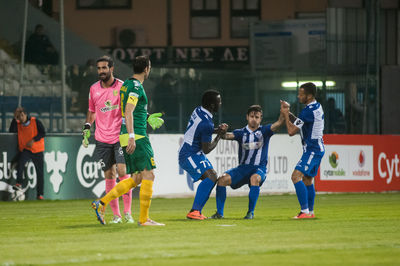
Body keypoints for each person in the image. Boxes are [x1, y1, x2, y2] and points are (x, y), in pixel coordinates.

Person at [91, 55, 165, 226]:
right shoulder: (136, 87)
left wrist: (143, 119)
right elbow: (129, 111)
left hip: (125, 135)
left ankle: (101, 203)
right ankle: (144, 219)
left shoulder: (126, 85)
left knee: (138, 178)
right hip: (137, 135)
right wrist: (132, 136)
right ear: (147, 68)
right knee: (149, 174)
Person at [81, 56, 135, 224]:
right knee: (109, 175)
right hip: (101, 138)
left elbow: (130, 109)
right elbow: (92, 111)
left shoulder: (122, 86)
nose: (101, 71)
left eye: (104, 68)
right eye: (99, 68)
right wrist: (87, 127)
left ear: (112, 69)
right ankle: (116, 216)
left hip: (119, 136)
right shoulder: (93, 89)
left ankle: (128, 213)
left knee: (122, 172)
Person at [210, 105, 284, 220]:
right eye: (252, 116)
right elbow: (225, 136)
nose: (254, 119)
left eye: (257, 117)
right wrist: (222, 131)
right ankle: (219, 213)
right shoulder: (241, 133)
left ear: (260, 119)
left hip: (258, 169)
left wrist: (283, 111)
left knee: (255, 178)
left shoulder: (265, 131)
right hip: (242, 169)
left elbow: (279, 123)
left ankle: (250, 213)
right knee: (222, 180)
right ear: (247, 117)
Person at [179, 89, 228, 220]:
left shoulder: (198, 110)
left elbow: (202, 130)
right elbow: (206, 149)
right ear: (212, 105)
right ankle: (194, 211)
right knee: (211, 177)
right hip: (189, 154)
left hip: (192, 152)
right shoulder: (207, 123)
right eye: (219, 101)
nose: (220, 103)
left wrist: (217, 129)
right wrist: (219, 136)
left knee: (212, 177)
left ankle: (197, 211)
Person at [280, 82, 325, 219]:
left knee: (296, 176)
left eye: (301, 94)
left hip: (312, 150)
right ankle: (310, 212)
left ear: (309, 95)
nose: (298, 96)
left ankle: (304, 212)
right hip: (318, 148)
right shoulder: (316, 106)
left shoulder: (307, 111)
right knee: (307, 180)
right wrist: (291, 114)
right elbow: (301, 122)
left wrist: (286, 114)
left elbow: (291, 131)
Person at [9, 107, 45, 200]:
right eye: (18, 116)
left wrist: (34, 140)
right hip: (26, 149)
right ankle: (19, 183)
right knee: (20, 164)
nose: (20, 118)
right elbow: (11, 131)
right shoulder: (18, 124)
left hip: (37, 150)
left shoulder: (35, 121)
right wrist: (14, 118)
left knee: (39, 173)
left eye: (22, 116)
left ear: (25, 114)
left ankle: (40, 194)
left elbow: (43, 132)